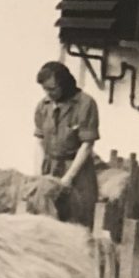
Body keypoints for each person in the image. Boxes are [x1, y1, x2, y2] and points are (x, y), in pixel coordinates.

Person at [34, 60, 100, 228]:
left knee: (77, 222)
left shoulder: (85, 104)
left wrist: (68, 178)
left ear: (65, 84)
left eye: (53, 89)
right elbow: (39, 141)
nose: (48, 93)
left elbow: (87, 146)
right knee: (47, 221)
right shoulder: (43, 106)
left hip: (77, 171)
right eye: (45, 89)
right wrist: (39, 174)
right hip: (50, 168)